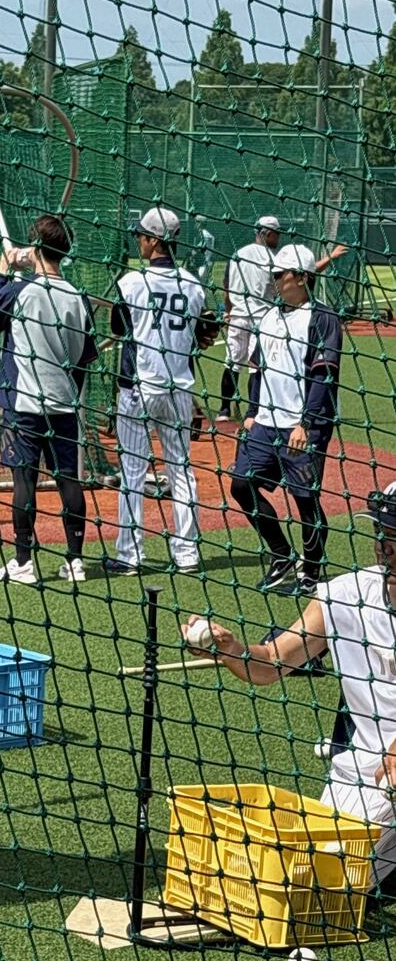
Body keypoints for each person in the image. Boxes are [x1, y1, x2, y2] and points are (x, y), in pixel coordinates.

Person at [182, 482, 396, 890]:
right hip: (364, 776)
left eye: (395, 535)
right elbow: (274, 662)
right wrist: (231, 649)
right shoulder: (346, 596)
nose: (383, 544)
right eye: (380, 531)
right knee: (314, 881)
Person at [0, 215, 96, 584]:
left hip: (24, 405)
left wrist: (4, 270)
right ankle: (75, 560)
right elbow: (84, 357)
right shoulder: (78, 296)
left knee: (24, 478)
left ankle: (23, 562)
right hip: (64, 404)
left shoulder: (20, 290)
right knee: (68, 479)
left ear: (36, 248)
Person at [102, 206, 217, 576]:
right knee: (181, 470)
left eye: (142, 235)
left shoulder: (132, 282)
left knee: (133, 472)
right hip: (180, 389)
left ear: (153, 240)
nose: (139, 240)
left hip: (140, 387)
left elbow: (118, 327)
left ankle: (130, 555)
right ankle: (187, 554)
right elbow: (202, 333)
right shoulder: (194, 285)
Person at [229, 244, 341, 598]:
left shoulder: (322, 318)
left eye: (280, 275)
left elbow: (323, 378)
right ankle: (281, 554)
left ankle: (312, 572)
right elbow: (257, 371)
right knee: (240, 485)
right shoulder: (268, 317)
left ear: (302, 277)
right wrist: (251, 413)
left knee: (305, 500)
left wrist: (305, 424)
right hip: (265, 423)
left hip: (302, 427)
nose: (274, 280)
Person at [219, 216, 349, 421]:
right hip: (263, 318)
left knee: (232, 363)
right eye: (277, 234)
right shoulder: (273, 258)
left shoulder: (238, 254)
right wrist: (330, 257)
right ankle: (254, 411)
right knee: (256, 368)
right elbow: (303, 274)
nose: (278, 238)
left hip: (238, 316)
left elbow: (226, 287)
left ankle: (224, 410)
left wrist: (228, 311)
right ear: (268, 233)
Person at [192, 214, 215, 288]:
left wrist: (192, 252)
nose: (195, 224)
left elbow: (198, 250)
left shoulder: (203, 235)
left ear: (201, 223)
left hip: (203, 264)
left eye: (197, 222)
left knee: (198, 287)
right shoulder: (207, 234)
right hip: (207, 263)